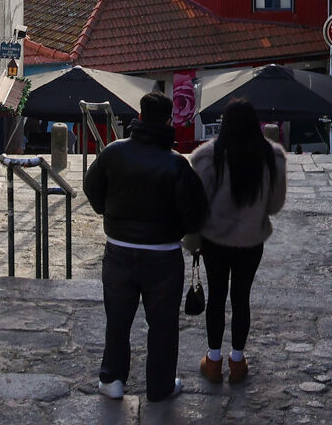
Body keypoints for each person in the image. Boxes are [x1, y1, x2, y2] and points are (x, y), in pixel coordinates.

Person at [83, 91, 210, 402]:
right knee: (163, 324)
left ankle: (112, 380)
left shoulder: (113, 153)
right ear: (168, 122)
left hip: (118, 251)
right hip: (163, 256)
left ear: (139, 117)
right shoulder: (177, 165)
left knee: (118, 319)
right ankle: (160, 385)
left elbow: (90, 185)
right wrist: (179, 228)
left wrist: (107, 212)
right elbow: (196, 215)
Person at [186, 99, 286, 384]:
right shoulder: (271, 157)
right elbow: (275, 205)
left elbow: (197, 203)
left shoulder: (207, 157)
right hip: (251, 239)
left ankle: (214, 361)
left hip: (215, 240)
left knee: (217, 296)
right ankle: (238, 361)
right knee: (242, 297)